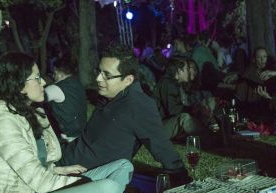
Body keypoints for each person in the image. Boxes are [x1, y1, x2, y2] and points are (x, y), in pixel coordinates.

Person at [0, 52, 133, 193]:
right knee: (110, 188)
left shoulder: (26, 112)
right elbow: (38, 181)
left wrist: (57, 170)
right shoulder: (2, 123)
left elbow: (27, 167)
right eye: (37, 78)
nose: (43, 82)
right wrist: (86, 185)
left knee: (123, 166)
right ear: (19, 85)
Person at [59, 44, 190, 184]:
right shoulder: (110, 96)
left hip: (81, 177)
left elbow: (161, 146)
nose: (98, 78)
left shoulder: (137, 104)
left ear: (128, 80)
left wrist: (180, 176)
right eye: (99, 71)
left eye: (106, 75)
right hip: (65, 159)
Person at [45, 55, 87, 142]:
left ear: (59, 73)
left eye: (54, 73)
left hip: (66, 137)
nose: (53, 76)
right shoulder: (78, 83)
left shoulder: (56, 88)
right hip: (80, 132)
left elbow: (36, 98)